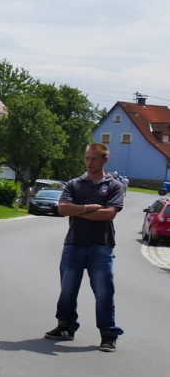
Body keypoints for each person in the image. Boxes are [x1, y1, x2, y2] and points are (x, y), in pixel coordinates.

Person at [44, 142, 125, 352]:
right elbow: (62, 209)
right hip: (74, 244)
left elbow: (109, 213)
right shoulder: (75, 184)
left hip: (101, 246)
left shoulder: (114, 186)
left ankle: (107, 334)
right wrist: (89, 208)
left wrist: (77, 210)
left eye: (94, 159)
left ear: (104, 160)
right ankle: (66, 326)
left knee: (104, 292)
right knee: (68, 290)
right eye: (87, 158)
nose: (89, 163)